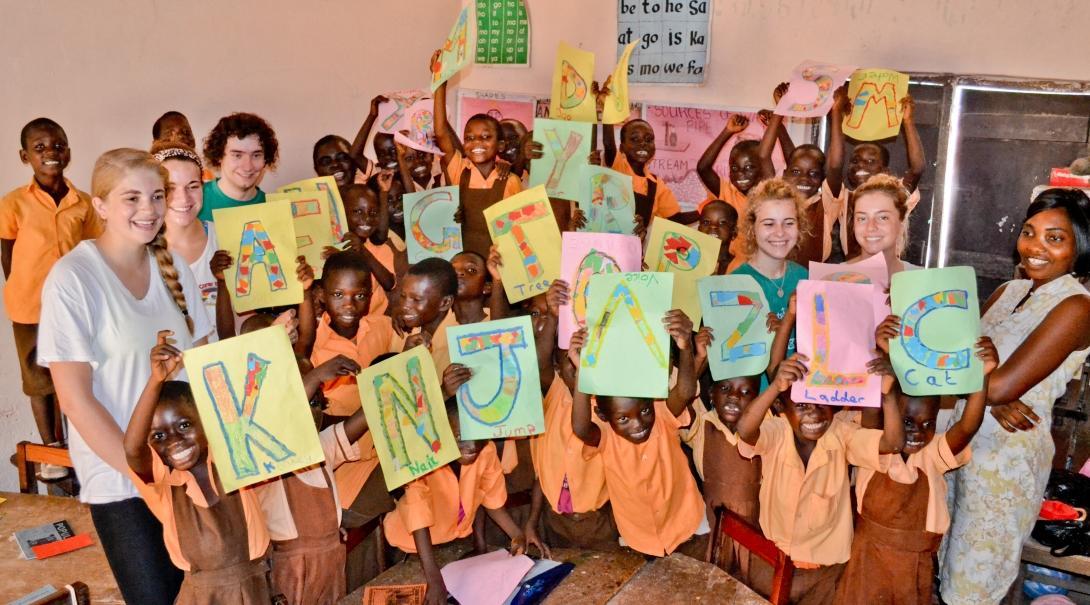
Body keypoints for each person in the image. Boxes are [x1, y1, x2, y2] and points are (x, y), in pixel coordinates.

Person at [37, 148, 213, 603]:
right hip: (123, 482)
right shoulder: (73, 278)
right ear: (99, 205)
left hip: (187, 469)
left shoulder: (172, 266)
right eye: (131, 198)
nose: (149, 210)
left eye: (157, 196)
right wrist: (142, 476)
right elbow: (76, 400)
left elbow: (202, 365)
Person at [940, 188, 1090, 604]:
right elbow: (958, 359)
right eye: (1029, 232)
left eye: (1054, 238)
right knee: (941, 570)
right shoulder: (1007, 291)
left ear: (1080, 247)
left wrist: (997, 391)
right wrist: (995, 395)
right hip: (957, 448)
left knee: (971, 588)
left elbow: (1002, 382)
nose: (1035, 246)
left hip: (1002, 464)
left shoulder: (1077, 306)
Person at [834, 328, 998, 605]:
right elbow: (874, 414)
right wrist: (888, 362)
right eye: (908, 422)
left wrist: (983, 376)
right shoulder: (877, 446)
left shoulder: (932, 454)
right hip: (868, 561)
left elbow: (967, 427)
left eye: (928, 424)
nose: (918, 433)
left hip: (915, 565)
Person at [735, 354, 904, 605]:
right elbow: (746, 431)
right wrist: (774, 388)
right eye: (802, 405)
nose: (814, 414)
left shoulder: (842, 435)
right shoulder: (777, 431)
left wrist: (888, 396)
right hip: (772, 558)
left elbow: (893, 443)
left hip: (824, 569)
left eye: (822, 403)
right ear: (783, 408)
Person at [124, 335, 272, 603]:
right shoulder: (165, 484)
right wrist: (155, 381)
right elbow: (133, 449)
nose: (174, 441)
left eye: (184, 426)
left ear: (206, 420)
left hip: (255, 588)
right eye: (158, 436)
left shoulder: (235, 459)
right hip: (202, 597)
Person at [1, 117, 102, 472]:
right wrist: (22, 287)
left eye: (58, 146)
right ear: (24, 155)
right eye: (40, 148)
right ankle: (51, 450)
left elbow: (93, 250)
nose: (50, 153)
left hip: (75, 306)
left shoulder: (84, 203)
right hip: (28, 307)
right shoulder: (14, 203)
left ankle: (81, 441)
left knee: (74, 373)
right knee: (38, 377)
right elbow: (7, 252)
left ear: (68, 152)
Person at [567, 309, 704, 557]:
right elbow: (580, 427)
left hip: (685, 525)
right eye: (623, 418)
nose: (638, 423)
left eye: (644, 410)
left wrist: (685, 347)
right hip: (639, 537)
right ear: (604, 416)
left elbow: (684, 391)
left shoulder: (662, 415)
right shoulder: (605, 437)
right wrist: (584, 372)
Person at [382, 391, 531, 605]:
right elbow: (417, 513)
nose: (471, 446)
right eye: (460, 436)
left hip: (452, 546)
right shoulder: (422, 456)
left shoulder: (485, 450)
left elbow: (490, 499)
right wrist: (433, 577)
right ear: (443, 431)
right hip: (412, 551)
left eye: (477, 435)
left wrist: (516, 533)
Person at [431, 53, 521, 259]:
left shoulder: (511, 181)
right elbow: (441, 132)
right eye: (469, 137)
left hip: (498, 268)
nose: (477, 143)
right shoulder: (459, 170)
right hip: (463, 267)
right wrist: (440, 82)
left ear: (500, 145)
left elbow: (520, 231)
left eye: (485, 137)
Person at [828, 87, 925, 260]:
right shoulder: (843, 197)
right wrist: (836, 111)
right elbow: (835, 165)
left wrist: (908, 121)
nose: (860, 166)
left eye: (871, 161)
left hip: (888, 276)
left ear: (885, 171)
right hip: (853, 274)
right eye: (855, 161)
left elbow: (917, 169)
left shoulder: (895, 196)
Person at [731, 178, 810, 356]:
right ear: (752, 228)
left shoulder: (806, 277)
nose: (780, 232)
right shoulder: (735, 284)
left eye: (789, 223)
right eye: (769, 224)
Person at [152, 142, 221, 340]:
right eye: (171, 188)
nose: (183, 198)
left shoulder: (225, 238)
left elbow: (243, 318)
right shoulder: (140, 254)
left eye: (193, 186)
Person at [602, 118, 699, 227]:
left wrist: (703, 211)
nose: (643, 143)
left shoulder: (656, 184)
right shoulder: (618, 168)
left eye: (648, 139)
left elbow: (676, 218)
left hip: (636, 243)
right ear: (621, 148)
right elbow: (609, 144)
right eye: (635, 139)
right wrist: (609, 108)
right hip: (607, 241)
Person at [197, 112, 279, 221]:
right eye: (237, 155)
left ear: (266, 159)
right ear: (219, 156)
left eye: (256, 155)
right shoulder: (194, 200)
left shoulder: (274, 209)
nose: (247, 167)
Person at [845, 173, 919, 278]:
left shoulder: (924, 283)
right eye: (862, 218)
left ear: (901, 222)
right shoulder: (831, 279)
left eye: (883, 217)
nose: (871, 227)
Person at [696, 199, 739, 274]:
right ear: (699, 229)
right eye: (706, 222)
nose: (713, 226)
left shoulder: (740, 266)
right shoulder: (688, 262)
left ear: (734, 232)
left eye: (722, 223)